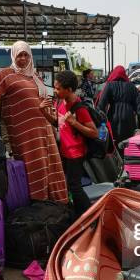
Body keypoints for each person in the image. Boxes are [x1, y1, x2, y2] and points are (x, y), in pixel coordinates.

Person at [0, 41, 68, 204]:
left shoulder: (35, 77)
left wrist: (56, 121)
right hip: (26, 136)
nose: (23, 59)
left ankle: (56, 208)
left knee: (51, 169)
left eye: (26, 55)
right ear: (13, 56)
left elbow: (47, 103)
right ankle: (38, 209)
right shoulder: (7, 75)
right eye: (19, 55)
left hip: (45, 132)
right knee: (32, 171)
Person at [40, 71, 98, 216]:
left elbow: (94, 132)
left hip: (76, 153)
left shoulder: (80, 108)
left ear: (69, 89)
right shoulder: (60, 102)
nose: (55, 91)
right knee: (69, 186)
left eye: (58, 88)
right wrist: (43, 111)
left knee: (75, 187)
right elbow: (57, 123)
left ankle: (89, 216)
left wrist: (75, 123)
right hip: (65, 151)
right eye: (55, 87)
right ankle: (77, 214)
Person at [97, 65, 140, 147]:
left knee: (114, 137)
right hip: (128, 116)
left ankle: (116, 156)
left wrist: (99, 118)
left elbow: (102, 103)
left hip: (113, 115)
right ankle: (126, 155)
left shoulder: (109, 85)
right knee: (128, 139)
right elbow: (138, 103)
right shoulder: (131, 86)